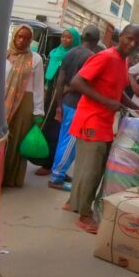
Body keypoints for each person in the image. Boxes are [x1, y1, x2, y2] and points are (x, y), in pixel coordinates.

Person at [67, 25, 139, 234]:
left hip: (105, 122)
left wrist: (138, 109)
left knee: (88, 166)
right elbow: (77, 82)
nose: (131, 45)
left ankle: (72, 202)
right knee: (92, 169)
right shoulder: (105, 57)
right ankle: (84, 215)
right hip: (91, 119)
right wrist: (106, 102)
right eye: (129, 39)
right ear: (120, 37)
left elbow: (118, 92)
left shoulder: (123, 62)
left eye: (136, 43)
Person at [48, 25, 101, 190]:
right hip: (78, 105)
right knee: (70, 144)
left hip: (65, 103)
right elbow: (82, 83)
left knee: (63, 140)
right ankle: (56, 178)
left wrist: (58, 105)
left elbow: (60, 80)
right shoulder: (91, 57)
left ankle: (59, 173)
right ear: (96, 40)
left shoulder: (70, 52)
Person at [3, 24, 45, 188]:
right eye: (19, 36)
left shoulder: (36, 59)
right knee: (1, 140)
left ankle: (11, 178)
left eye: (27, 38)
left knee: (17, 140)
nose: (22, 40)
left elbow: (38, 87)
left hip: (25, 103)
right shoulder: (5, 55)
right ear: (14, 36)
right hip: (4, 102)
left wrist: (38, 112)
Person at [35, 27, 80, 176]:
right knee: (46, 127)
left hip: (63, 99)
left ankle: (50, 165)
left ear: (75, 40)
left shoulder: (76, 57)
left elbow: (75, 81)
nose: (65, 40)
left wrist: (61, 93)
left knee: (56, 131)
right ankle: (45, 161)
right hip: (50, 97)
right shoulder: (54, 53)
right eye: (63, 37)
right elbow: (49, 77)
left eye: (69, 38)